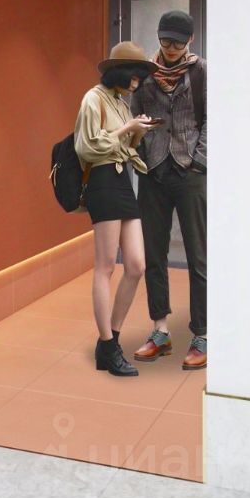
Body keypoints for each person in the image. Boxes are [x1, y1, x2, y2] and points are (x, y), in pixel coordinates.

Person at [74, 42, 159, 377]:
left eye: (139, 78)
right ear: (120, 73)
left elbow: (124, 145)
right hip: (103, 181)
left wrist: (137, 131)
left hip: (123, 181)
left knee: (136, 265)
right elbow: (88, 146)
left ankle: (110, 339)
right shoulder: (93, 99)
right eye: (133, 77)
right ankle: (109, 347)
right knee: (106, 267)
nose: (136, 83)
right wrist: (127, 128)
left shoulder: (122, 104)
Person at [131, 10, 207, 371]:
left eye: (177, 41)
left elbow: (212, 119)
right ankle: (160, 330)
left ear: (189, 39)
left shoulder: (201, 71)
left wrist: (199, 161)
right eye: (165, 40)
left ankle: (202, 334)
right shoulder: (145, 74)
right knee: (154, 253)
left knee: (198, 254)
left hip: (190, 172)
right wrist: (141, 154)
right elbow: (134, 118)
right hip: (154, 172)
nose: (171, 47)